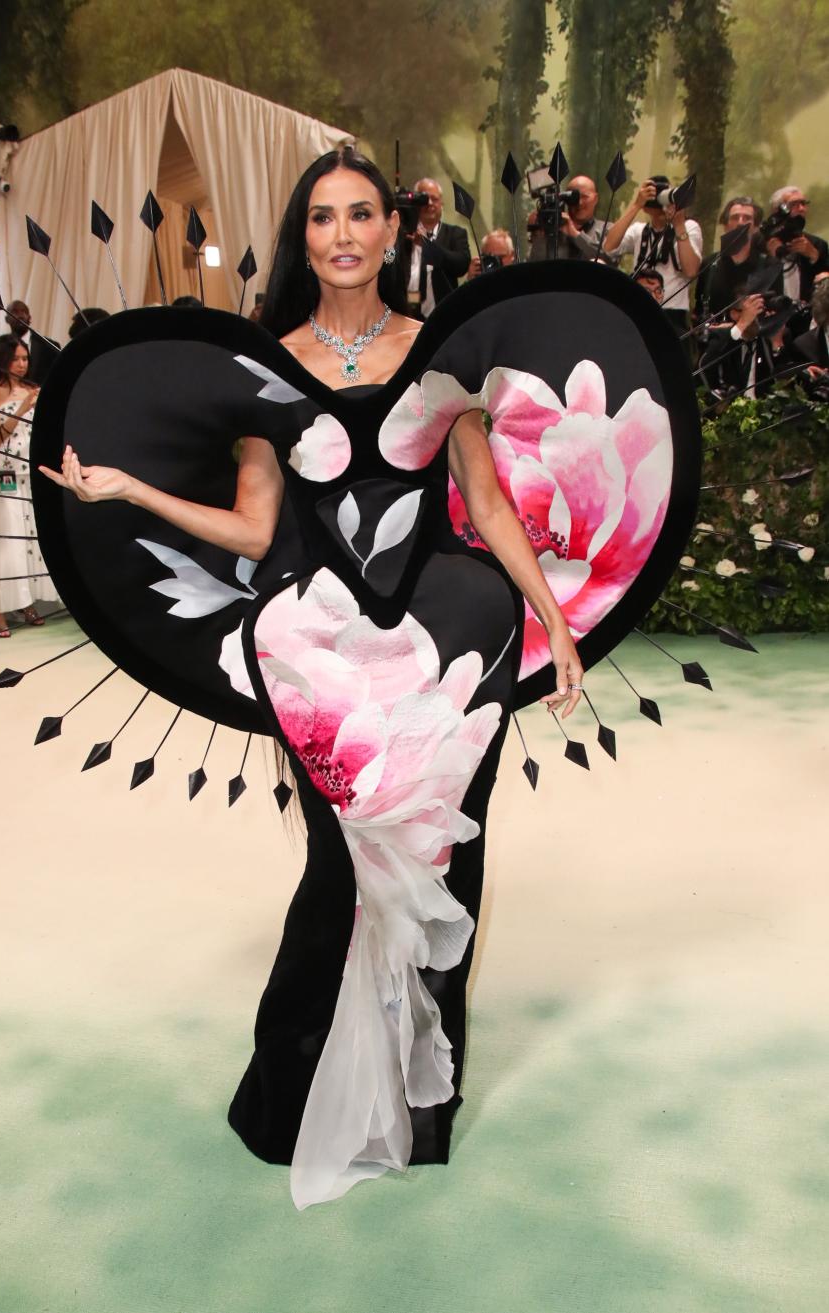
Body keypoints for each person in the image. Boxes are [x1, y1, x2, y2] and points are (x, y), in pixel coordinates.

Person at [34, 147, 697, 1209]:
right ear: (303, 238)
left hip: (456, 635)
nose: (342, 234)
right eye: (321, 219)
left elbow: (484, 505)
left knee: (447, 867)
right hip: (315, 647)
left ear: (394, 229)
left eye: (361, 215)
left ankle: (417, 1108)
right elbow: (255, 527)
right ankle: (293, 1091)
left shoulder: (443, 354)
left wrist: (552, 620)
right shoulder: (265, 366)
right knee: (338, 870)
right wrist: (134, 490)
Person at [0, 335, 58, 636]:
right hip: (3, 473)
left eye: (25, 359)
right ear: (2, 358)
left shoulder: (32, 388)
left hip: (29, 471)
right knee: (3, 541)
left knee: (30, 540)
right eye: (16, 358)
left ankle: (25, 601)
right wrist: (20, 409)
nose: (21, 364)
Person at [602, 176, 702, 334]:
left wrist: (679, 225)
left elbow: (691, 271)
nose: (658, 199)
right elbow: (608, 246)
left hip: (672, 312)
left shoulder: (688, 227)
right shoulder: (639, 231)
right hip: (638, 308)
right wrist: (636, 205)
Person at [404, 176, 470, 318]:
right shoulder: (403, 234)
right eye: (424, 198)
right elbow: (388, 261)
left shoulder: (455, 233)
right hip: (405, 312)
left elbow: (462, 265)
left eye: (434, 199)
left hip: (444, 313)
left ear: (442, 203)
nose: (429, 203)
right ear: (415, 202)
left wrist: (427, 245)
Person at [765, 186, 829, 307]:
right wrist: (772, 258)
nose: (801, 209)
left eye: (804, 204)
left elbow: (825, 287)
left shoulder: (818, 245)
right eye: (794, 204)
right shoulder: (763, 242)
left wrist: (815, 257)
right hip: (771, 316)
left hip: (806, 317)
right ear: (776, 210)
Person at [528, 174, 615, 262]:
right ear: (566, 199)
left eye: (585, 197)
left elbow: (609, 259)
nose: (579, 203)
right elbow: (535, 267)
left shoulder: (608, 229)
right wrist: (538, 237)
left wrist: (576, 235)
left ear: (595, 199)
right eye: (574, 198)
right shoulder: (553, 230)